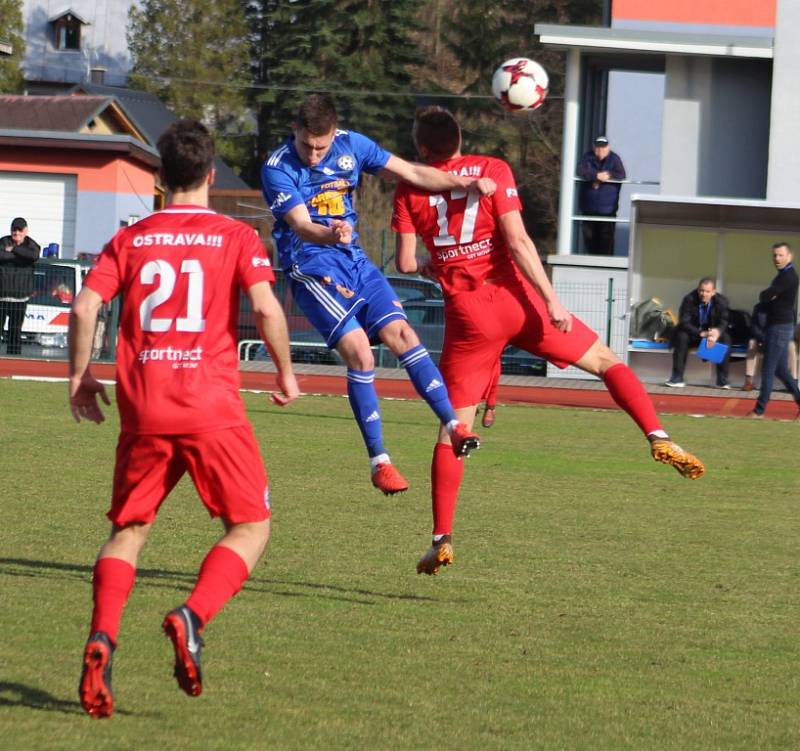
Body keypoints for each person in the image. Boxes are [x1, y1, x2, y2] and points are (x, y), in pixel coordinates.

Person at [392, 106, 705, 575]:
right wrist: (553, 301)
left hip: (470, 318)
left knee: (452, 428)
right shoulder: (492, 169)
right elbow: (518, 242)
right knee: (605, 361)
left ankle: (442, 538)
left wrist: (440, 263)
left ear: (421, 148)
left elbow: (405, 264)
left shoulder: (409, 185)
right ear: (460, 139)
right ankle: (657, 435)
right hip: (519, 302)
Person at [70, 119, 299, 719]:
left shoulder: (131, 237)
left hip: (143, 405)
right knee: (251, 527)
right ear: (211, 172)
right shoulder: (236, 236)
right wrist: (285, 372)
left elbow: (88, 303)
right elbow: (266, 306)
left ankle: (101, 639)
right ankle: (192, 616)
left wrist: (80, 375)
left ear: (158, 174)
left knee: (129, 530)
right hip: (210, 404)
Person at [261, 93, 486, 496]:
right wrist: (329, 232)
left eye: (321, 146)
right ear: (294, 130)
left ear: (334, 134)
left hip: (355, 260)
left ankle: (454, 426)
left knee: (404, 336)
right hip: (312, 267)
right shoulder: (278, 167)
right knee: (361, 353)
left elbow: (411, 172)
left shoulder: (353, 145)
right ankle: (380, 461)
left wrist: (462, 183)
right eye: (306, 145)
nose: (314, 155)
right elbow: (300, 225)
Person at [749, 242, 800, 418]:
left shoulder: (789, 277)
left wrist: (768, 295)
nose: (776, 259)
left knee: (768, 369)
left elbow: (765, 296)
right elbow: (767, 296)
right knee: (781, 370)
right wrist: (769, 296)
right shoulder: (782, 275)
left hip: (779, 327)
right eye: (774, 255)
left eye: (780, 255)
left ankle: (759, 411)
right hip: (779, 326)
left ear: (789, 256)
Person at [663, 278, 731, 389]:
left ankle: (722, 380)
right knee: (681, 336)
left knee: (726, 338)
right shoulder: (689, 299)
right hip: (693, 333)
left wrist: (717, 332)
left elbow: (724, 320)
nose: (703, 294)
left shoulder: (721, 301)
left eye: (707, 291)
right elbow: (684, 322)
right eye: (701, 290)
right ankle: (677, 377)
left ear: (713, 292)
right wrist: (700, 333)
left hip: (710, 333)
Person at [576, 136, 626, 255]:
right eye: (598, 147)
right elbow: (580, 171)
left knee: (606, 241)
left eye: (603, 147)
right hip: (588, 210)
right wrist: (596, 176)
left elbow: (621, 174)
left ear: (608, 148)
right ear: (594, 148)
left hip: (607, 211)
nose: (600, 150)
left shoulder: (614, 159)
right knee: (590, 239)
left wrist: (607, 175)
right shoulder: (587, 158)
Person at [0, 217, 41, 354]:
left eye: (19, 230)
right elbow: (1, 255)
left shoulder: (31, 244)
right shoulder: (3, 241)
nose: (16, 233)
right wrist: (20, 257)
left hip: (20, 298)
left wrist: (13, 249)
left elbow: (34, 255)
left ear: (25, 231)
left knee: (15, 331)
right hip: (2, 297)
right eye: (14, 229)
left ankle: (13, 361)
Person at [743, 302, 798, 391]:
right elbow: (754, 327)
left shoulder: (789, 308)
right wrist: (763, 339)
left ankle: (793, 383)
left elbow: (792, 327)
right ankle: (749, 381)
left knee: (791, 346)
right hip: (763, 340)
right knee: (752, 343)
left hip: (781, 341)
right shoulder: (759, 307)